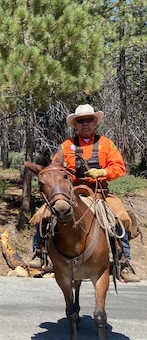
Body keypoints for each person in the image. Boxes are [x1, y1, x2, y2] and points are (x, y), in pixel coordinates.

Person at [29, 104, 139, 282]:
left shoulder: (106, 144)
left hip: (99, 193)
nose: (85, 124)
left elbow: (119, 167)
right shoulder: (66, 146)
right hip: (71, 193)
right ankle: (38, 252)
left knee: (120, 217)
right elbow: (55, 170)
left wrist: (103, 172)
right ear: (75, 125)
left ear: (95, 122)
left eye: (89, 120)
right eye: (81, 121)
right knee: (43, 214)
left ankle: (124, 262)